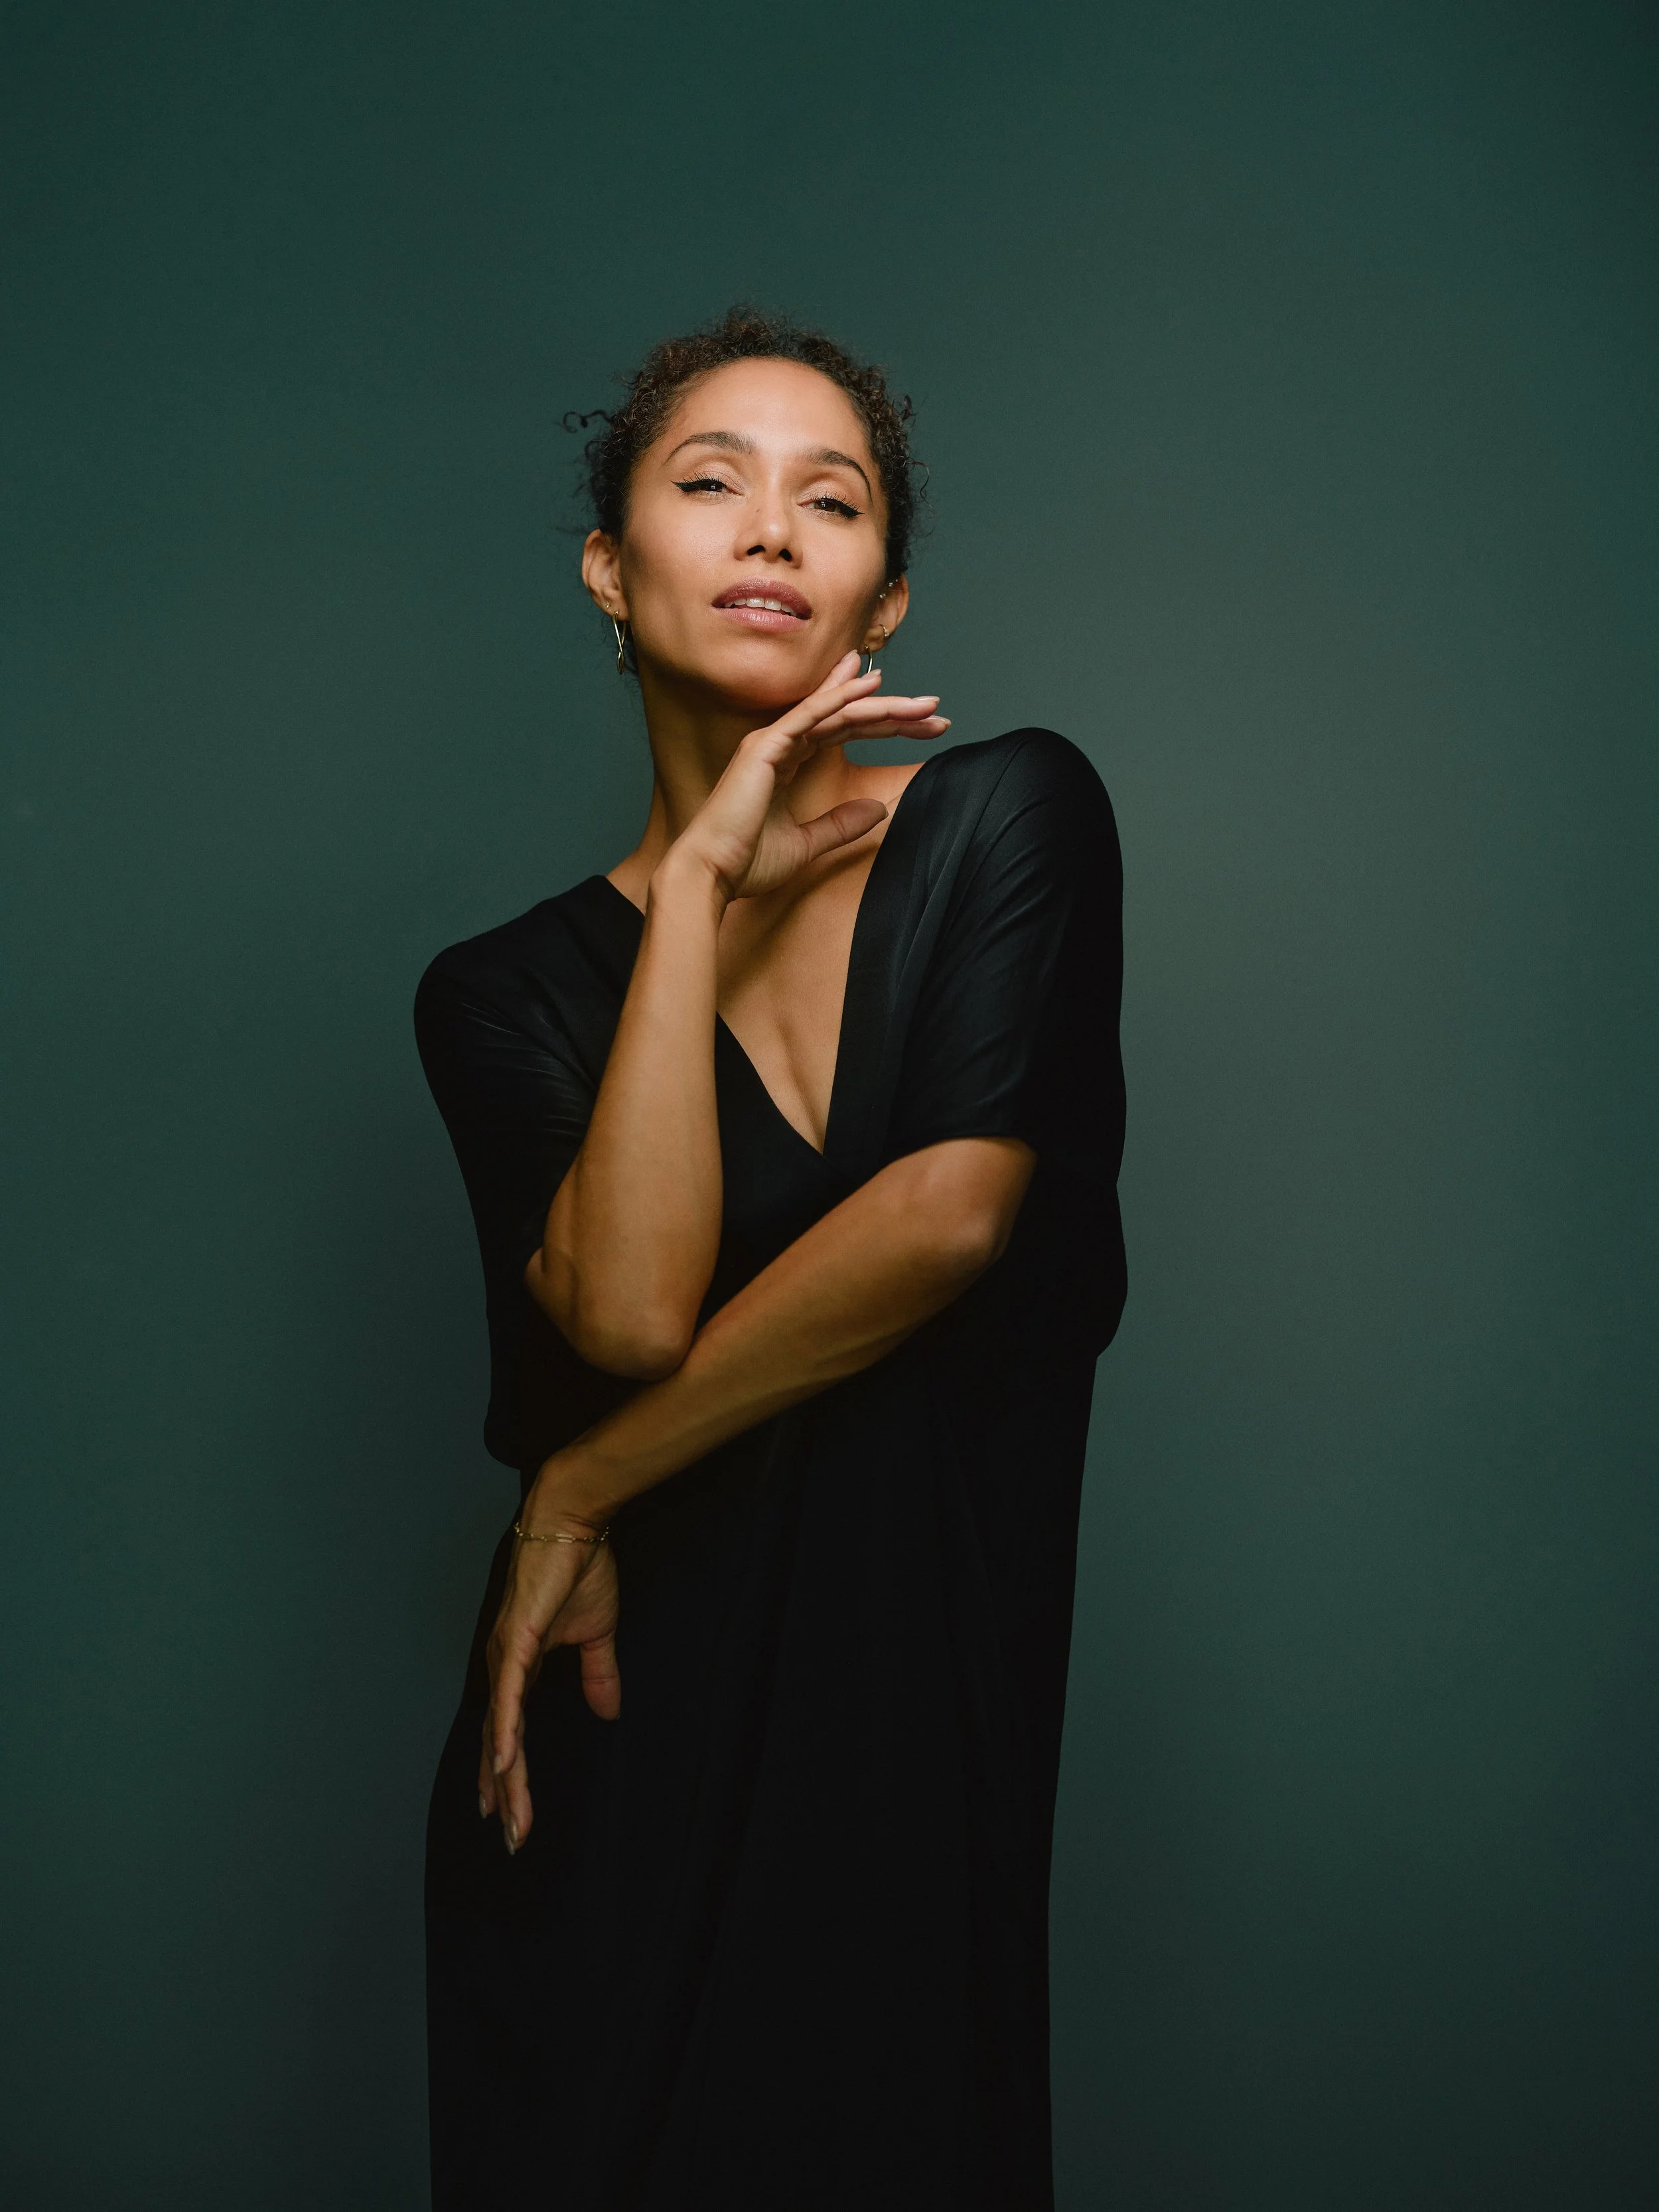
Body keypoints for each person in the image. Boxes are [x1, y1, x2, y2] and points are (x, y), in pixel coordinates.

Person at [414, 306, 1126, 2211]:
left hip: (908, 1794)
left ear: (877, 597)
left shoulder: (1009, 823)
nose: (769, 530)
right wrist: (699, 889)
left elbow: (948, 1216)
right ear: (608, 569)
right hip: (601, 1812)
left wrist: (580, 1481)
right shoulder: (499, 996)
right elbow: (636, 1306)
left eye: (831, 499)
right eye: (707, 481)